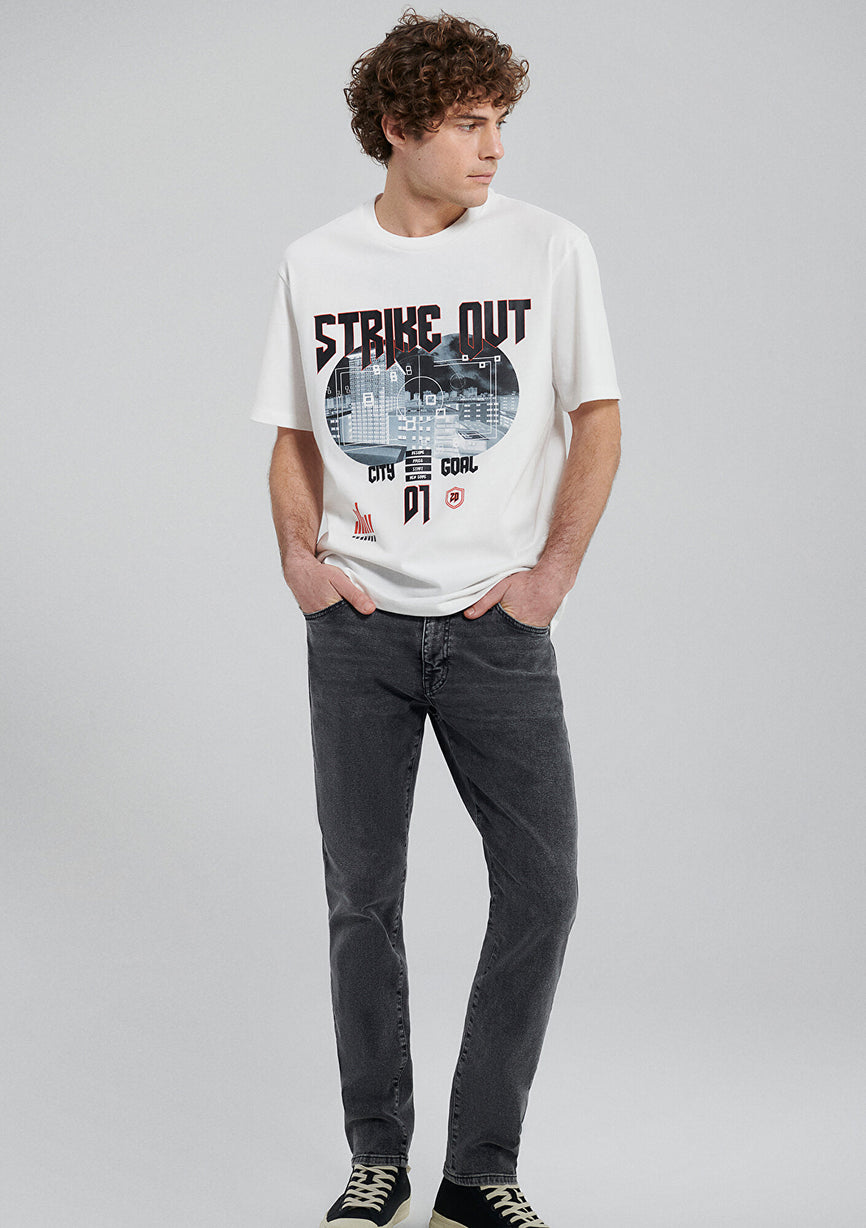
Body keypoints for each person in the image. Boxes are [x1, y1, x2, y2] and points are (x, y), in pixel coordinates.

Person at [251, 10, 622, 1227]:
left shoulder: (549, 248)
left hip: (495, 632)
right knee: (362, 898)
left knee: (542, 888)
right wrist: (300, 561)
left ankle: (477, 1167)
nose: (493, 147)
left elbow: (597, 419)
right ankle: (378, 1155)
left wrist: (548, 576)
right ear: (398, 126)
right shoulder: (316, 262)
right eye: (468, 123)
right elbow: (294, 435)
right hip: (356, 630)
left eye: (499, 120)